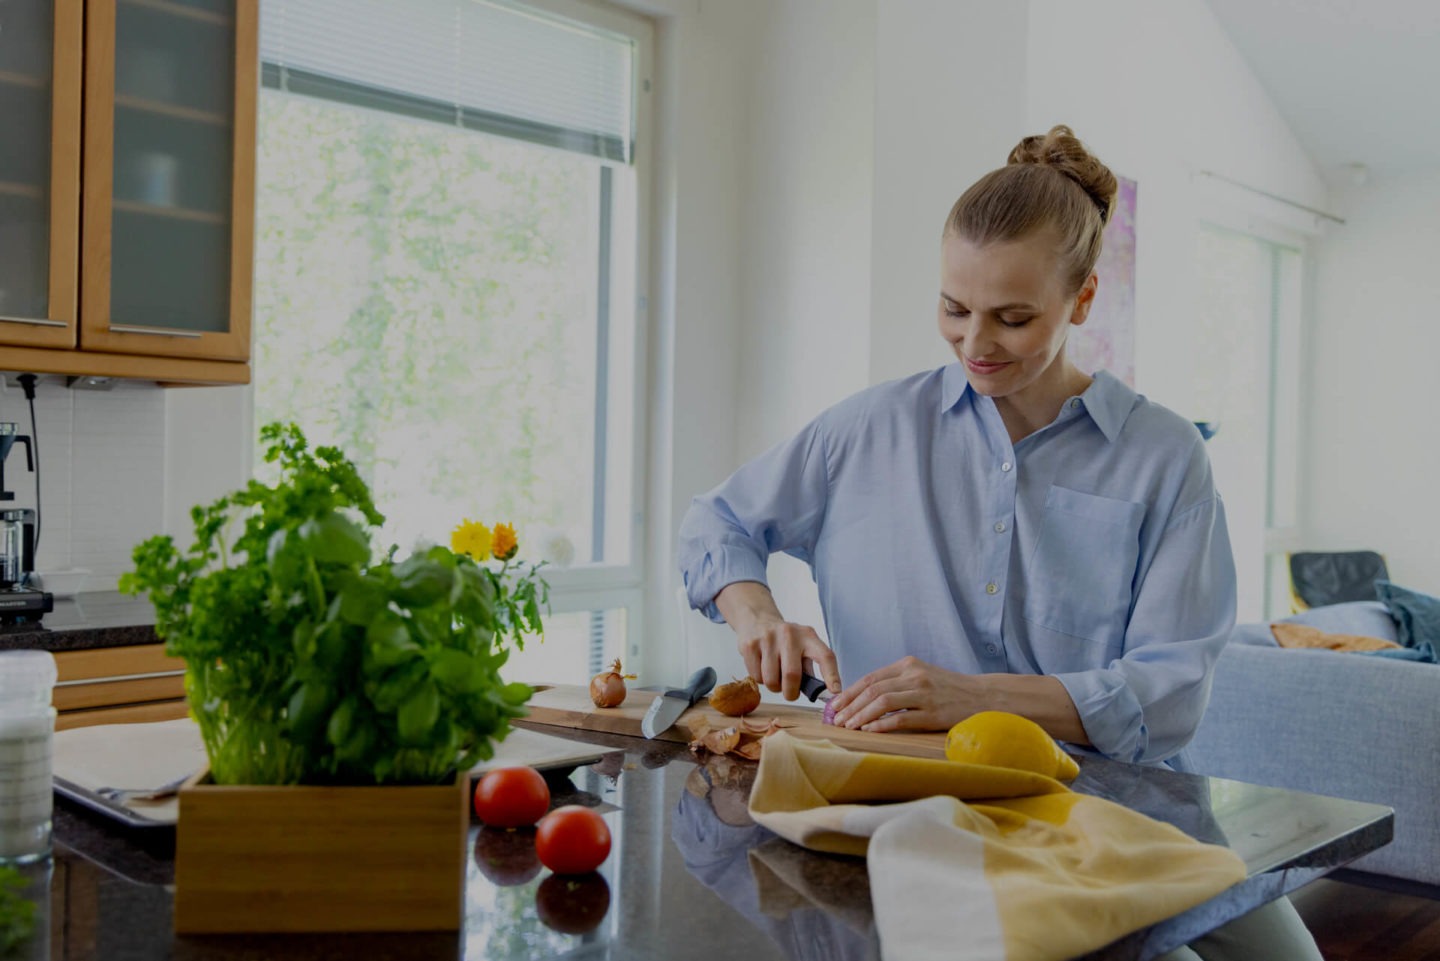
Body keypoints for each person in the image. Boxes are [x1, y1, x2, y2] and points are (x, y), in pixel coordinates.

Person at [677, 125, 1322, 961]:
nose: (976, 343)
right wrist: (755, 608)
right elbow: (715, 520)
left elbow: (1167, 691)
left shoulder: (1163, 455)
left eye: (1014, 318)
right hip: (909, 811)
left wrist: (974, 696)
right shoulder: (868, 428)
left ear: (1083, 300)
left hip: (1124, 808)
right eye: (954, 308)